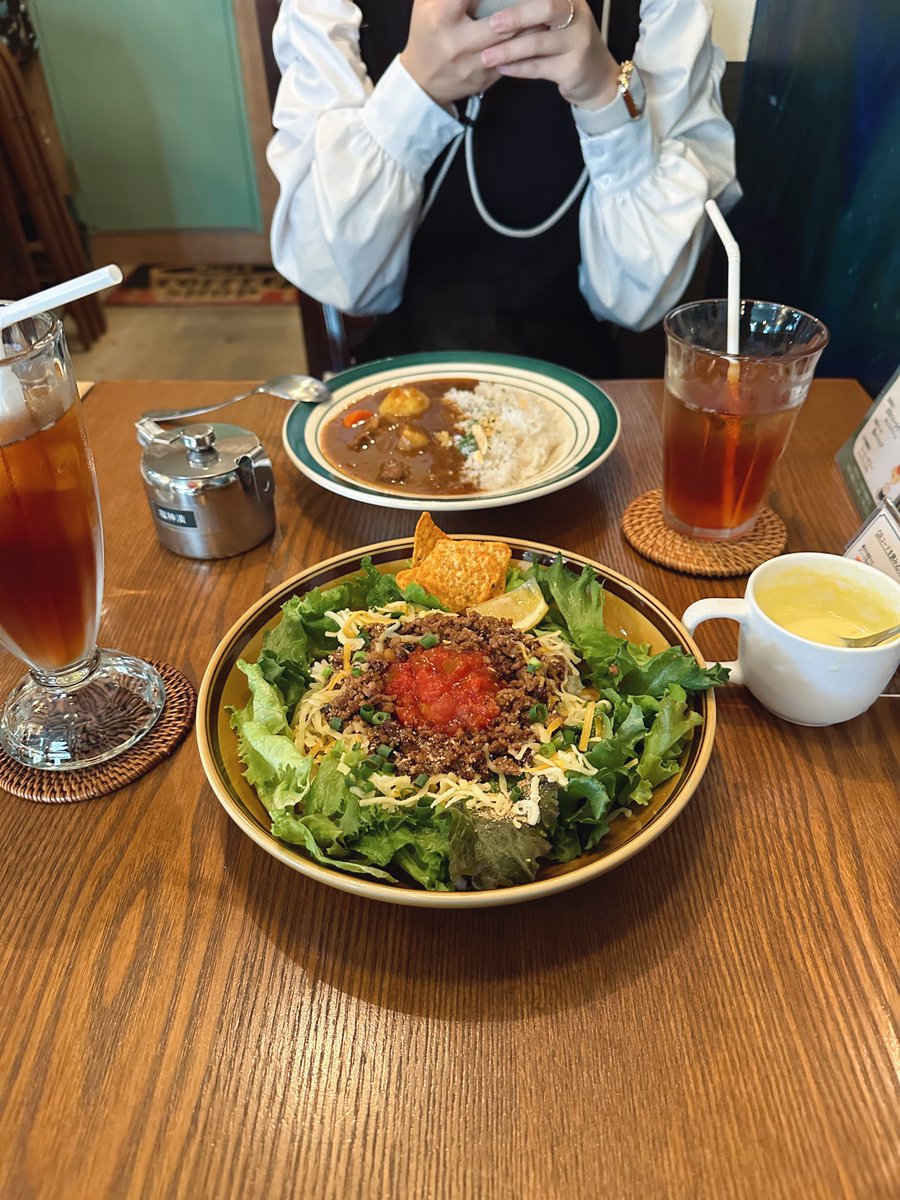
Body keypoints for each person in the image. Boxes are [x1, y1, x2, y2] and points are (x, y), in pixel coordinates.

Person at [268, 0, 739, 375]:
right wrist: (414, 91)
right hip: (396, 382)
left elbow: (634, 300)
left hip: (585, 394)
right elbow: (342, 279)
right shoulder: (330, 9)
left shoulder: (661, 9)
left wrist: (603, 96)